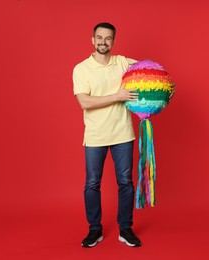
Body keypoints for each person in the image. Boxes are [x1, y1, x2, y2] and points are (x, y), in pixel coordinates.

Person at [72, 22, 141, 248]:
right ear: (92, 40)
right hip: (95, 136)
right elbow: (85, 101)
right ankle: (94, 230)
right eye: (99, 38)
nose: (103, 42)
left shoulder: (123, 62)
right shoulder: (81, 69)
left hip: (123, 134)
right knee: (92, 184)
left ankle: (125, 228)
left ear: (113, 41)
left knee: (126, 183)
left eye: (108, 38)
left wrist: (157, 92)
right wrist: (117, 96)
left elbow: (149, 71)